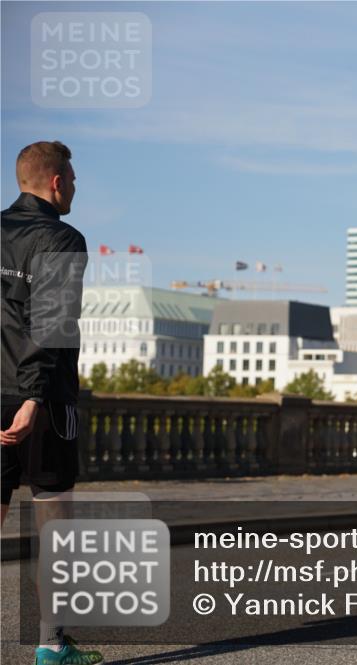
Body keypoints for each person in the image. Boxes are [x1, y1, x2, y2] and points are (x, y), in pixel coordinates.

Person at [1, 141, 103, 665]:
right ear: (57, 182)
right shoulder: (63, 237)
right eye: (74, 179)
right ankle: (51, 645)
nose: (76, 188)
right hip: (43, 400)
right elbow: (52, 321)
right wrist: (34, 395)